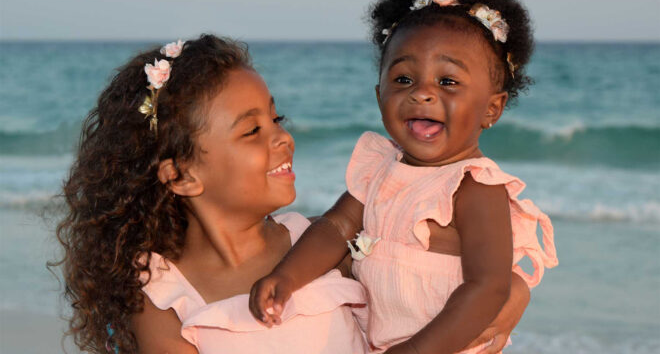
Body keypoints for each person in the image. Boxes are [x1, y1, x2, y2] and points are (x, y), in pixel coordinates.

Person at [55, 33, 531, 353]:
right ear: (181, 176)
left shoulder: (314, 247)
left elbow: (423, 278)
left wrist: (513, 292)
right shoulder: (163, 293)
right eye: (252, 131)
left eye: (276, 119)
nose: (282, 138)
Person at [250, 0, 558, 354]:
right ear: (379, 95)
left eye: (447, 82)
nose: (422, 94)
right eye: (403, 80)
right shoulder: (380, 168)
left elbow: (488, 287)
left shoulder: (474, 186)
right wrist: (286, 276)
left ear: (491, 109)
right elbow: (334, 226)